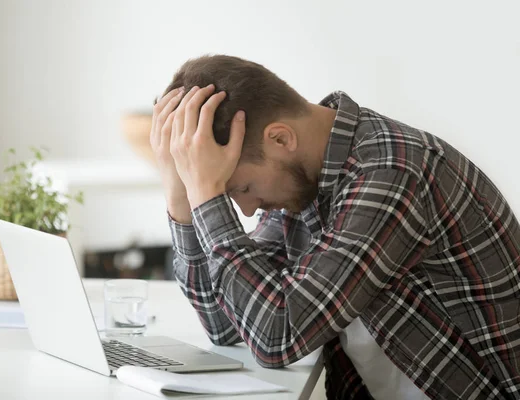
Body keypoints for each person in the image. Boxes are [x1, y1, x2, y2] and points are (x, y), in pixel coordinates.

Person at [150, 54, 520, 400]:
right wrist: (180, 196)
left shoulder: (392, 172)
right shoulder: (303, 178)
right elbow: (229, 325)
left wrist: (207, 196)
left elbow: (277, 336)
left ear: (280, 138)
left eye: (242, 189)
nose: (246, 211)